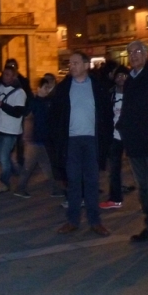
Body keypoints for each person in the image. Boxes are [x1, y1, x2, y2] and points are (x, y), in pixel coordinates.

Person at [49, 51, 112, 236]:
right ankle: (72, 220)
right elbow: (54, 116)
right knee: (74, 182)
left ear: (86, 65)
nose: (72, 66)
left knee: (92, 181)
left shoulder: (98, 87)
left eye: (76, 63)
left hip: (92, 140)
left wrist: (105, 140)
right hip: (71, 142)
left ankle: (95, 222)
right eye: (70, 63)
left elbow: (106, 115)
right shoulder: (63, 88)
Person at [116, 41, 148, 242]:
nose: (134, 56)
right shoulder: (130, 79)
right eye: (130, 53)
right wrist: (122, 127)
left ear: (147, 53)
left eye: (138, 51)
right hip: (135, 144)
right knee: (143, 188)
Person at [14, 77, 63, 198]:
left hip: (41, 140)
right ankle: (20, 189)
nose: (47, 90)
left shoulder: (47, 102)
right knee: (28, 167)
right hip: (34, 140)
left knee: (46, 166)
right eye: (45, 88)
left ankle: (55, 189)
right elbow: (28, 119)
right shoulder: (33, 102)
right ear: (38, 88)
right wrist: (27, 137)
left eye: (48, 88)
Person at [0, 65, 27, 193]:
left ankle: (4, 183)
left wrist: (1, 104)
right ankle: (16, 171)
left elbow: (18, 112)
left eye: (8, 74)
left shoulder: (20, 93)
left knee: (4, 157)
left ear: (14, 76)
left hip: (11, 130)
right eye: (4, 74)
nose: (5, 76)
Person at [99, 65, 129, 210]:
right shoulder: (110, 94)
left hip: (131, 136)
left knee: (141, 170)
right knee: (114, 169)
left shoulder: (134, 93)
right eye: (118, 75)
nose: (121, 78)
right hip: (114, 136)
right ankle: (115, 198)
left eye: (124, 75)